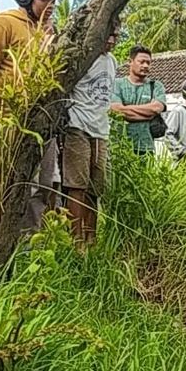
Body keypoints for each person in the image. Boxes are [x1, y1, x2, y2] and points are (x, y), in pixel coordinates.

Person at [0, 0, 65, 230]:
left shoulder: (50, 33)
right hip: (10, 120)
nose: (50, 5)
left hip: (42, 122)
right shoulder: (5, 23)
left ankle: (33, 243)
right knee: (15, 183)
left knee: (44, 184)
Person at [62, 27, 118, 246]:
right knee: (77, 186)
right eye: (108, 33)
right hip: (77, 126)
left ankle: (90, 239)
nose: (112, 39)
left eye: (116, 35)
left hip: (101, 130)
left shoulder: (112, 61)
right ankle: (74, 241)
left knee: (96, 187)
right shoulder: (83, 57)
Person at [0, 0, 64, 90]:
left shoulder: (46, 31)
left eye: (53, 1)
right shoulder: (4, 24)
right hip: (5, 107)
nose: (50, 6)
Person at [111, 46, 166, 155]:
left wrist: (125, 110)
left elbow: (156, 108)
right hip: (119, 146)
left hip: (146, 147)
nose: (145, 65)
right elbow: (115, 110)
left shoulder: (156, 86)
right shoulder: (116, 84)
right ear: (130, 62)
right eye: (141, 62)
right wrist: (147, 114)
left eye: (148, 63)